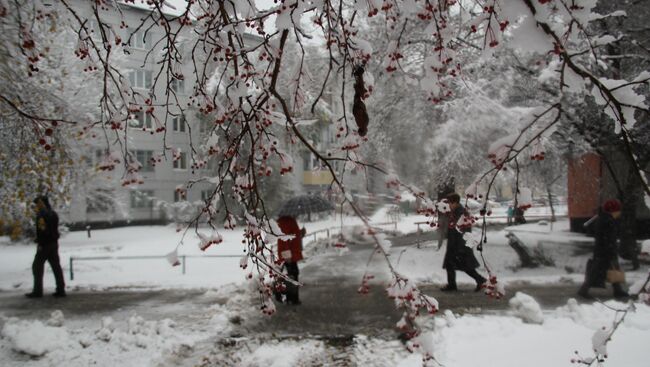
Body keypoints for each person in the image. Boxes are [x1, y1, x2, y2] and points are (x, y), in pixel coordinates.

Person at [578, 199, 628, 300]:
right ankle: (583, 290)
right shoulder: (608, 221)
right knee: (596, 271)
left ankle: (617, 290)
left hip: (604, 251)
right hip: (605, 252)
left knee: (613, 270)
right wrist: (610, 250)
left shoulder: (605, 219)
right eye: (618, 210)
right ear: (612, 210)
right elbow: (607, 238)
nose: (619, 212)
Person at [440, 193, 487, 292]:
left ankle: (481, 280)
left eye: (450, 203)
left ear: (455, 203)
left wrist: (459, 246)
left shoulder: (460, 213)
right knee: (451, 265)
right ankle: (452, 285)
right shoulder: (456, 212)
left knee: (466, 266)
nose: (449, 205)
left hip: (460, 245)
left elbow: (462, 230)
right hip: (455, 244)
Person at [25, 196, 66, 298]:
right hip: (54, 244)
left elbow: (43, 231)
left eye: (36, 204)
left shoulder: (41, 216)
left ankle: (37, 291)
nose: (35, 207)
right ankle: (61, 290)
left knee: (37, 267)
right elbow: (53, 229)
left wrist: (40, 243)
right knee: (56, 267)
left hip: (45, 245)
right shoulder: (53, 213)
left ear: (41, 204)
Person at [276, 215, 305, 305]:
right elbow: (283, 240)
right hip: (289, 256)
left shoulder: (290, 220)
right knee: (292, 276)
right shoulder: (285, 221)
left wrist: (301, 233)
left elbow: (292, 235)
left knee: (291, 275)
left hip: (292, 254)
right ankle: (291, 298)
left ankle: (289, 297)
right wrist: (287, 256)